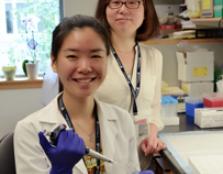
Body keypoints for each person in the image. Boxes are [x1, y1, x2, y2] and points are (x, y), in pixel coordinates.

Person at [14, 15, 154, 174]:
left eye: (95, 56)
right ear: (54, 62)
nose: (85, 67)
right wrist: (60, 171)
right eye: (72, 56)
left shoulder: (123, 120)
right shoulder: (30, 130)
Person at [94, 0, 166, 169]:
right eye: (116, 2)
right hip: (102, 159)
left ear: (146, 10)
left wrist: (152, 137)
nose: (123, 9)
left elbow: (154, 107)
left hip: (142, 157)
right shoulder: (94, 57)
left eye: (132, 2)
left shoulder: (154, 57)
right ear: (105, 9)